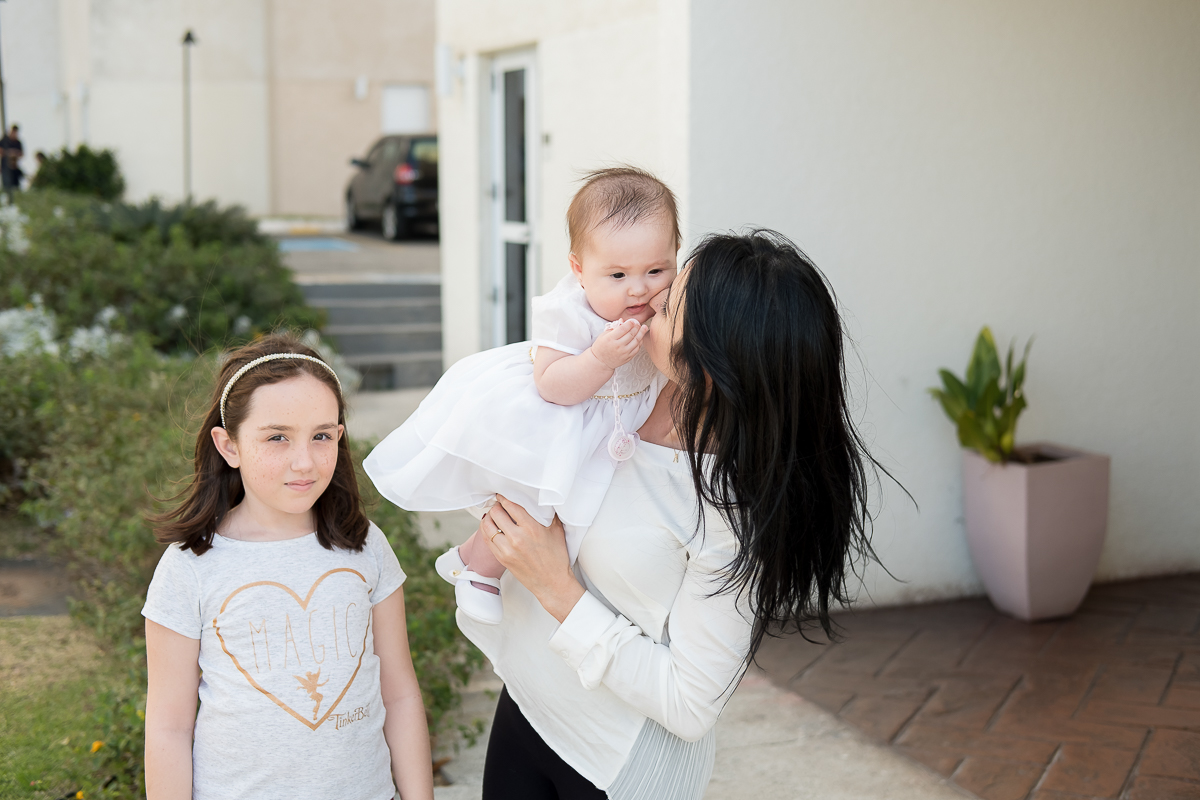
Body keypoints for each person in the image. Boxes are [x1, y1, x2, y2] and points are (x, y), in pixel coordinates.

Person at [459, 229, 882, 799]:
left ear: (709, 367)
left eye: (666, 306)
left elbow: (690, 704)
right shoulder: (626, 381)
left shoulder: (732, 512)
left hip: (615, 767)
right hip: (530, 704)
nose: (648, 299)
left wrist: (555, 587)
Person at [365, 167, 679, 625]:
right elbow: (551, 384)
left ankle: (480, 557)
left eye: (656, 270)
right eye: (617, 274)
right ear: (579, 270)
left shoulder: (664, 305)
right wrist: (599, 357)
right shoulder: (570, 312)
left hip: (618, 421)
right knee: (532, 501)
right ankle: (480, 570)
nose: (639, 288)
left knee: (586, 516)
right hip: (563, 414)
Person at [141, 333, 434, 800]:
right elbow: (169, 728)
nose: (305, 462)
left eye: (322, 436)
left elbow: (399, 694)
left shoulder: (365, 545)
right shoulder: (190, 566)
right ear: (229, 445)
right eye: (277, 437)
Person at [1, 125, 23, 191]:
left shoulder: (17, 142)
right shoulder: (4, 141)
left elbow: (21, 154)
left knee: (15, 187)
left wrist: (14, 153)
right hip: (5, 167)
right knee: (6, 187)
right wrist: (9, 153)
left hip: (14, 168)